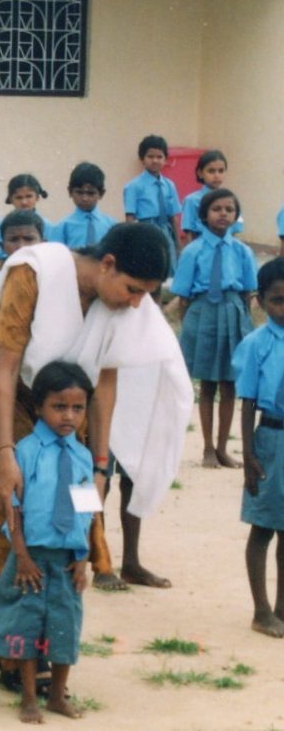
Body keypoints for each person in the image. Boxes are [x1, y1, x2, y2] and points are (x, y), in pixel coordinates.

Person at [0, 224, 191, 691]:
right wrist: (6, 453)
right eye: (132, 290)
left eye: (144, 296)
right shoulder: (35, 272)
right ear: (107, 264)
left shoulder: (117, 303)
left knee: (62, 512)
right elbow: (5, 369)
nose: (134, 304)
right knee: (5, 510)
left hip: (61, 398)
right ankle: (12, 653)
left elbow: (105, 384)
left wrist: (101, 464)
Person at [0, 361, 96, 723]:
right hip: (31, 559)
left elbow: (86, 511)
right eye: (59, 407)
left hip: (66, 560)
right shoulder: (25, 452)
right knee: (26, 629)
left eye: (77, 408)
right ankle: (29, 697)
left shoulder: (82, 455)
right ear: (38, 407)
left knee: (64, 627)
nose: (69, 416)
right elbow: (12, 508)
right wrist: (21, 556)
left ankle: (58, 696)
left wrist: (84, 557)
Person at [172, 188, 256, 469]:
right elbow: (182, 295)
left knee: (230, 383)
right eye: (216, 209)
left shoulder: (242, 252)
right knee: (207, 383)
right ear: (204, 215)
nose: (223, 214)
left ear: (235, 215)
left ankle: (223, 448)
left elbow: (248, 293)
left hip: (232, 313)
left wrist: (245, 325)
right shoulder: (193, 251)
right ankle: (207, 448)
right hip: (202, 313)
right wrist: (189, 327)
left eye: (229, 209)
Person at [233, 257, 284, 639]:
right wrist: (249, 454)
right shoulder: (256, 344)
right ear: (261, 301)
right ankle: (261, 610)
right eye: (278, 300)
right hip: (270, 440)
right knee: (263, 527)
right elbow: (248, 400)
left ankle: (282, 607)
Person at [122, 133, 182, 266]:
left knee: (170, 267)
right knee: (149, 267)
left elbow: (173, 217)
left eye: (159, 157)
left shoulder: (169, 185)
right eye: (150, 156)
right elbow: (130, 218)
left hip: (166, 232)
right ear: (142, 159)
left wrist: (178, 245)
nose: (155, 160)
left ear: (165, 159)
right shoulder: (133, 186)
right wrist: (130, 244)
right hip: (145, 231)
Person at [0, 210, 45, 310]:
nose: (21, 246)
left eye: (28, 239)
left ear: (43, 244)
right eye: (14, 239)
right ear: (3, 247)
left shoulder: (52, 284)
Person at [0, 174, 47, 273]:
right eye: (18, 197)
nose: (24, 202)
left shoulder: (48, 225)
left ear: (37, 197)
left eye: (29, 196)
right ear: (11, 199)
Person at [48, 162, 116, 250]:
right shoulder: (62, 226)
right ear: (70, 192)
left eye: (91, 193)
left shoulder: (111, 225)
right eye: (79, 192)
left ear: (101, 194)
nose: (85, 198)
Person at [179, 150, 239, 239]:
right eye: (211, 171)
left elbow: (235, 230)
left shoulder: (231, 200)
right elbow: (189, 232)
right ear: (200, 173)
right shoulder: (192, 200)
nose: (217, 175)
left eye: (221, 171)